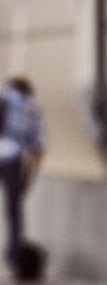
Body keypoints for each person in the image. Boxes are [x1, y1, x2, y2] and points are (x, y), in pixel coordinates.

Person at [0, 77, 46, 272]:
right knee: (14, 212)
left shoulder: (3, 96)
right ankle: (14, 260)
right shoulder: (32, 108)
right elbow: (38, 148)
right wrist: (29, 179)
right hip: (13, 160)